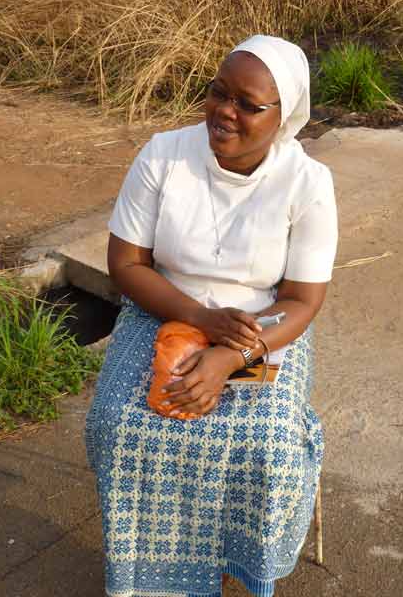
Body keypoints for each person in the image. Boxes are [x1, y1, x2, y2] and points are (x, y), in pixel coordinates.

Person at [85, 35, 338, 597]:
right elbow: (126, 264)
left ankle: (230, 558)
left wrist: (229, 357)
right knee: (118, 425)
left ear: (282, 116)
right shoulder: (164, 155)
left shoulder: (308, 183)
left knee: (268, 446)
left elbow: (301, 300)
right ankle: (147, 565)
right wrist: (199, 317)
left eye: (248, 104)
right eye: (219, 92)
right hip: (161, 308)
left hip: (262, 327)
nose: (225, 111)